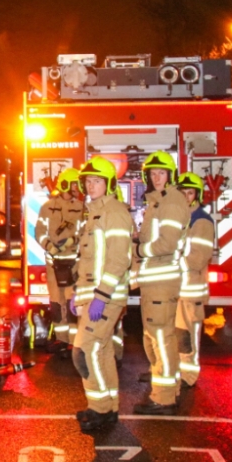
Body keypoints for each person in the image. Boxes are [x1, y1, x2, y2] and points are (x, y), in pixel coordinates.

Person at [68, 157, 132, 432]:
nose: (91, 186)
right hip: (93, 295)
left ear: (109, 184)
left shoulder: (114, 212)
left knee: (83, 351)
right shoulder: (92, 214)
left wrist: (101, 296)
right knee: (102, 351)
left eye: (97, 181)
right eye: (88, 181)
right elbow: (88, 261)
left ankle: (100, 409)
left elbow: (119, 259)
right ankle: (107, 408)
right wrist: (77, 294)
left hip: (106, 296)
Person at [133, 151, 190, 416]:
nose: (156, 177)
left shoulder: (172, 201)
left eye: (161, 173)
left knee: (161, 337)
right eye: (153, 173)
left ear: (171, 175)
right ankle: (168, 385)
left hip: (161, 279)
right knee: (155, 336)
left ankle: (164, 397)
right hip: (153, 280)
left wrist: (140, 250)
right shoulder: (158, 202)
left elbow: (166, 243)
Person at [35, 167, 84, 354]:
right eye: (73, 184)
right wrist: (50, 246)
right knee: (56, 302)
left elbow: (84, 231)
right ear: (64, 184)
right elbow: (39, 232)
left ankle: (74, 341)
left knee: (72, 302)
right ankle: (61, 339)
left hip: (73, 263)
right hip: (53, 263)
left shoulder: (81, 208)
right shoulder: (47, 207)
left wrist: (73, 241)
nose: (76, 187)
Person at [176, 172, 215, 387]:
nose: (185, 196)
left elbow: (198, 258)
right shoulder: (180, 218)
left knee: (188, 337)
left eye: (189, 192)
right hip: (177, 288)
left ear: (197, 195)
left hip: (191, 290)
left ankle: (188, 376)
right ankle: (178, 373)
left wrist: (172, 265)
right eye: (182, 192)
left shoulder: (201, 221)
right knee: (177, 335)